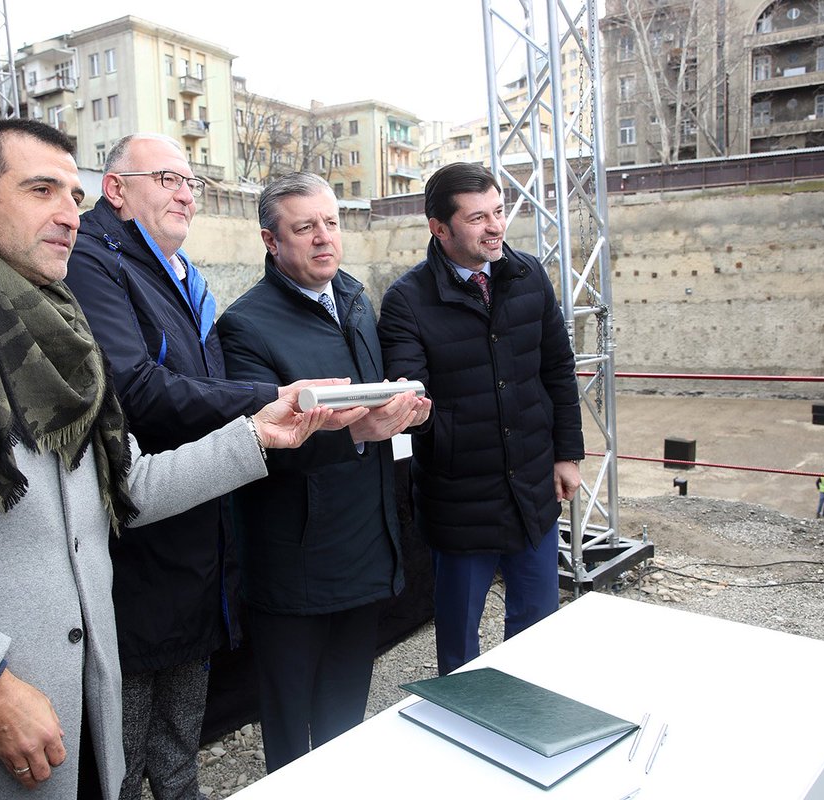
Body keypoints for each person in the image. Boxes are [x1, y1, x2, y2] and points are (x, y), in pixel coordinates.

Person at [0, 120, 334, 800]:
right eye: (41, 190)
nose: (69, 215)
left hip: (77, 724)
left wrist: (256, 436)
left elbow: (126, 485)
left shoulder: (64, 341)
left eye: (74, 196)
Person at [63, 134, 342, 799]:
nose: (187, 192)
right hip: (139, 545)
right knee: (123, 764)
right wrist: (270, 400)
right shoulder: (94, 263)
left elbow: (195, 392)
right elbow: (134, 388)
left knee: (179, 747)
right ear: (116, 188)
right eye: (167, 177)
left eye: (193, 182)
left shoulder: (177, 274)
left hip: (194, 542)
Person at [215, 172, 430, 772]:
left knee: (344, 718)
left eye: (330, 223)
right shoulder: (245, 326)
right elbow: (258, 447)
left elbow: (368, 407)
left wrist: (399, 412)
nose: (323, 238)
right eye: (304, 227)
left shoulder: (357, 301)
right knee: (288, 726)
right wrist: (361, 432)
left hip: (364, 542)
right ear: (270, 241)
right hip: (294, 559)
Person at [377, 162, 585, 677]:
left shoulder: (529, 274)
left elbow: (557, 369)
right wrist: (422, 419)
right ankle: (464, 728)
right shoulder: (406, 301)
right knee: (458, 639)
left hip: (532, 487)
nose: (495, 227)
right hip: (459, 496)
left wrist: (567, 453)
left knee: (538, 626)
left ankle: (532, 720)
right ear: (439, 228)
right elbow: (411, 393)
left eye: (498, 212)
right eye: (477, 218)